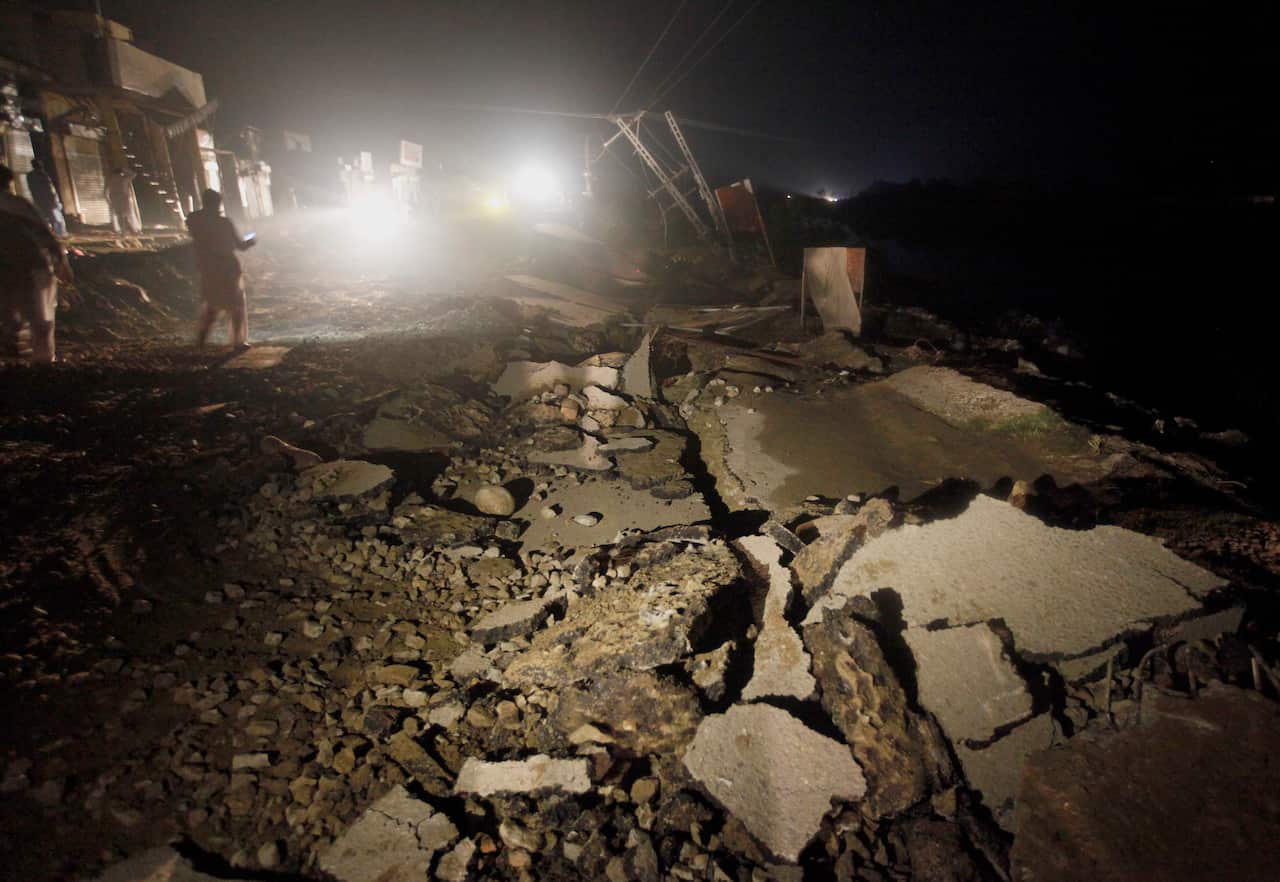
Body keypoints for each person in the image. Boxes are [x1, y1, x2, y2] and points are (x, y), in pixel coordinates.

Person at [0, 164, 71, 362]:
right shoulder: (18, 205)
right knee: (41, 320)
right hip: (32, 268)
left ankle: (13, 355)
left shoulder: (17, 206)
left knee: (10, 317)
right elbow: (47, 237)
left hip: (14, 271)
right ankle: (43, 362)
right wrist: (61, 264)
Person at [186, 188, 254, 349]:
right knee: (236, 304)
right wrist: (251, 239)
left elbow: (194, 230)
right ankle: (238, 341)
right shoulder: (224, 223)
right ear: (217, 203)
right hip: (228, 267)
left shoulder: (195, 221)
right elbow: (240, 245)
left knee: (212, 303)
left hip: (208, 267)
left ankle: (201, 340)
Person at [27, 159, 67, 237]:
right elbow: (50, 189)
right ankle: (60, 234)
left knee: (47, 218)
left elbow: (32, 189)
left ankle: (54, 234)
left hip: (41, 200)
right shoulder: (42, 174)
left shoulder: (30, 176)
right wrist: (55, 200)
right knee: (56, 218)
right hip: (49, 200)